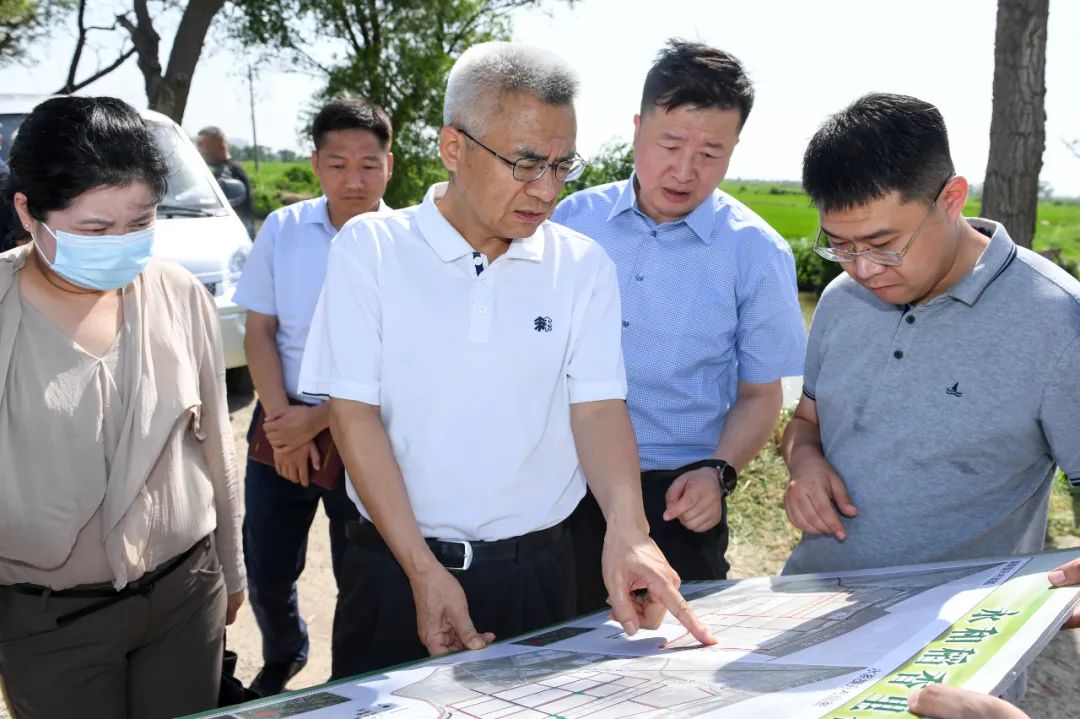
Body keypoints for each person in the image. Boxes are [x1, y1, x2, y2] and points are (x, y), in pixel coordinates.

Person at [298, 41, 714, 679]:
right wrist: (420, 569)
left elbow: (599, 409)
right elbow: (354, 415)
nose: (546, 189)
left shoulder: (580, 267)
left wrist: (628, 531)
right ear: (453, 148)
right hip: (391, 571)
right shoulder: (373, 250)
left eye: (561, 166)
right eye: (524, 164)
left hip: (537, 577)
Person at [0, 96, 245, 718]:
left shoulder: (178, 293)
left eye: (140, 222)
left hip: (184, 600)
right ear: (28, 213)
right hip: (48, 620)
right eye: (94, 230)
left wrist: (232, 569)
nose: (121, 245)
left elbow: (216, 439)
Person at [552, 40, 805, 612]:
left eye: (711, 153)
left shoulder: (757, 254)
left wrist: (720, 471)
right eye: (670, 144)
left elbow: (761, 395)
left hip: (679, 496)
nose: (685, 171)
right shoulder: (572, 222)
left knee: (672, 667)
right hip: (564, 483)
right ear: (637, 128)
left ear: (735, 149)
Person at [782, 92, 1080, 576]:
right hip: (812, 599)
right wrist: (804, 464)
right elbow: (805, 423)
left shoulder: (1057, 321)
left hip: (958, 634)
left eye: (884, 244)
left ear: (952, 199)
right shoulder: (840, 299)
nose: (862, 268)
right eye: (839, 245)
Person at [233, 96, 393, 696]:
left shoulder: (408, 244)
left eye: (368, 164)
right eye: (337, 164)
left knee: (362, 565)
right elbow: (260, 331)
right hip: (279, 413)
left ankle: (351, 677)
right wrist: (284, 423)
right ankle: (284, 651)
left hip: (364, 424)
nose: (354, 179)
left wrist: (319, 422)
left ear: (390, 165)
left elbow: (401, 360)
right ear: (316, 164)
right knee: (268, 564)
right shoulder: (284, 229)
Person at [197, 126, 256, 237]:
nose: (200, 152)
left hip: (236, 236)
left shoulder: (227, 171)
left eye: (203, 148)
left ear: (222, 149)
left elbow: (209, 196)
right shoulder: (229, 168)